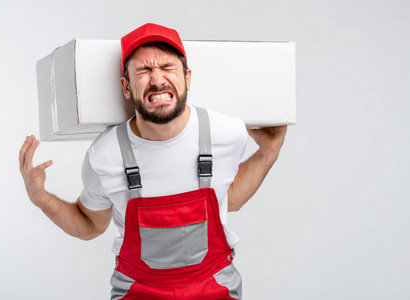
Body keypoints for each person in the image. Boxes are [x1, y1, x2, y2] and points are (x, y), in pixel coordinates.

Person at [19, 23, 287, 300]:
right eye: (144, 71)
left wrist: (268, 153)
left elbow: (229, 198)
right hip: (138, 291)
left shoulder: (226, 133)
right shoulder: (105, 155)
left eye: (167, 67)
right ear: (126, 87)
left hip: (215, 287)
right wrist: (40, 197)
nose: (157, 79)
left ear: (188, 77)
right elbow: (89, 225)